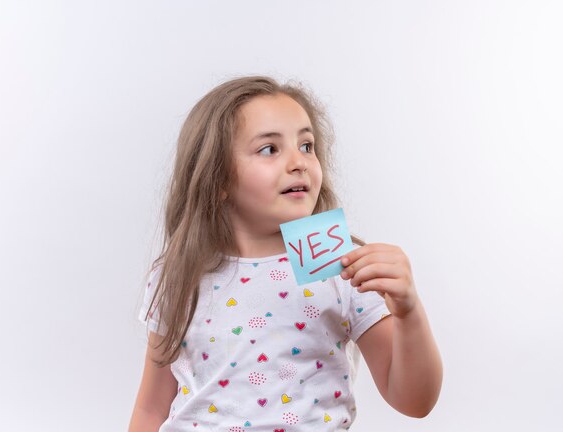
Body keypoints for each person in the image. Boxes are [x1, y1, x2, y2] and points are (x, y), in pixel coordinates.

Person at [128, 75, 442, 431]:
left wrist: (408, 312)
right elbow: (151, 410)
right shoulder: (181, 274)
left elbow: (415, 402)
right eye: (269, 149)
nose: (299, 162)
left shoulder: (343, 267)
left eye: (306, 146)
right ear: (216, 181)